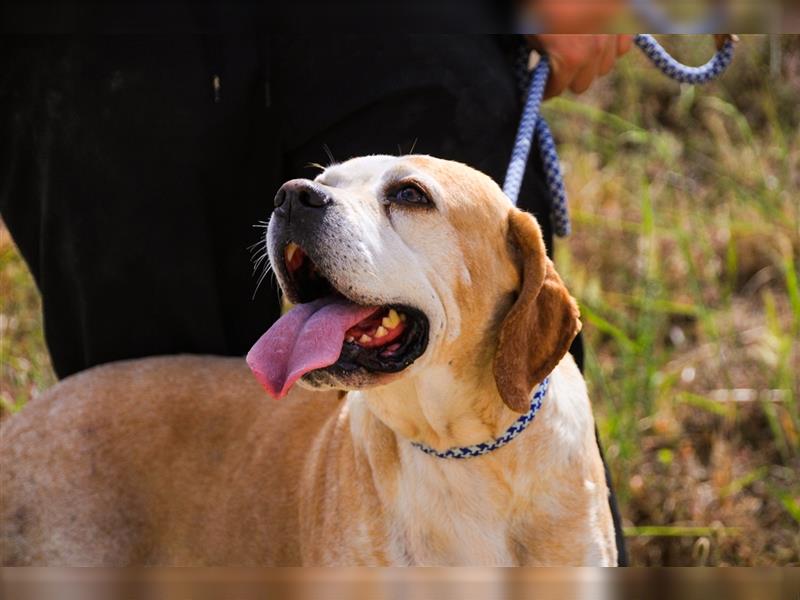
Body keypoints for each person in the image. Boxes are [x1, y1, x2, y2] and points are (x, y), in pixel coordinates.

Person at [1, 5, 631, 563]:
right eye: (319, 189)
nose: (306, 201)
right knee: (148, 399)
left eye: (405, 197)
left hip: (386, 25)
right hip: (100, 36)